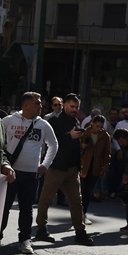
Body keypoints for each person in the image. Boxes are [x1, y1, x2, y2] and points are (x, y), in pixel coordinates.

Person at [0, 92, 58, 254]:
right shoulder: (9, 120)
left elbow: (53, 145)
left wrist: (45, 165)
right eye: (37, 103)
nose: (41, 106)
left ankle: (25, 240)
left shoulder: (43, 125)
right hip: (10, 172)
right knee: (4, 207)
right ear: (26, 105)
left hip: (31, 174)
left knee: (26, 209)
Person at [35, 93, 93, 245]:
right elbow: (50, 142)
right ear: (65, 105)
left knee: (76, 201)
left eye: (77, 107)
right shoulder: (54, 121)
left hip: (72, 168)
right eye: (72, 106)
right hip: (55, 167)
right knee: (46, 199)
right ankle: (41, 229)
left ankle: (80, 232)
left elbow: (73, 143)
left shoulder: (75, 121)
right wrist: (69, 136)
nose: (74, 109)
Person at [79, 115, 111, 224]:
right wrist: (83, 146)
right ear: (92, 123)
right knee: (82, 191)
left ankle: (83, 214)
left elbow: (107, 153)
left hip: (96, 166)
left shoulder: (105, 136)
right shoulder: (84, 133)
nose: (99, 129)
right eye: (97, 126)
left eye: (101, 127)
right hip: (84, 165)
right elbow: (77, 147)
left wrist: (105, 167)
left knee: (88, 191)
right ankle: (79, 214)